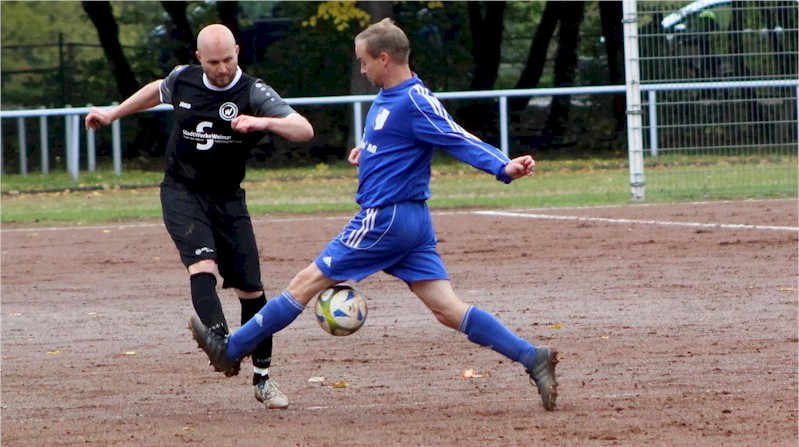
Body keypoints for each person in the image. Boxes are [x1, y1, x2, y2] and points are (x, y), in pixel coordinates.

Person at [189, 18, 559, 411]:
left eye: (364, 62)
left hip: (386, 218)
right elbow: (397, 141)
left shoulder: (415, 99)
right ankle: (531, 356)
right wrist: (369, 152)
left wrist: (504, 167)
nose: (361, 69)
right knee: (448, 309)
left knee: (304, 282)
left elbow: (456, 137)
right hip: (410, 224)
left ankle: (231, 349)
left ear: (385, 59)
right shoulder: (389, 97)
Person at [85, 24, 314, 410]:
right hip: (182, 191)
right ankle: (221, 342)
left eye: (227, 59)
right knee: (202, 264)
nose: (222, 68)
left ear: (237, 52)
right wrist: (113, 114)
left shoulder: (253, 92)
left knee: (252, 291)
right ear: (199, 60)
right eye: (213, 62)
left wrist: (262, 122)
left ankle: (263, 379)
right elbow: (156, 90)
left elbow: (303, 129)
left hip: (228, 200)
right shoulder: (185, 80)